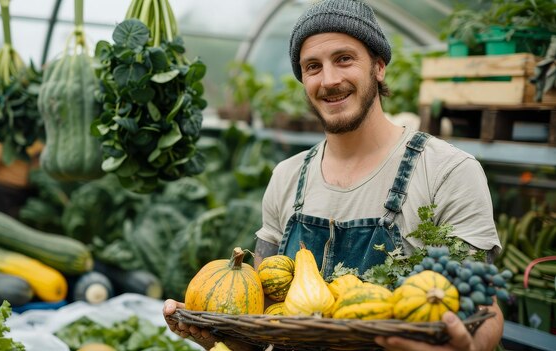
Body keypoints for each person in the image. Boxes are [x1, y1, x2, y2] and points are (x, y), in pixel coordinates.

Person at [163, 0, 504, 350]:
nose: (329, 80)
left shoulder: (448, 171)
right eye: (313, 66)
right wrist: (221, 336)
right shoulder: (286, 176)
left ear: (379, 66)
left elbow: (484, 308)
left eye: (344, 59)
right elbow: (262, 313)